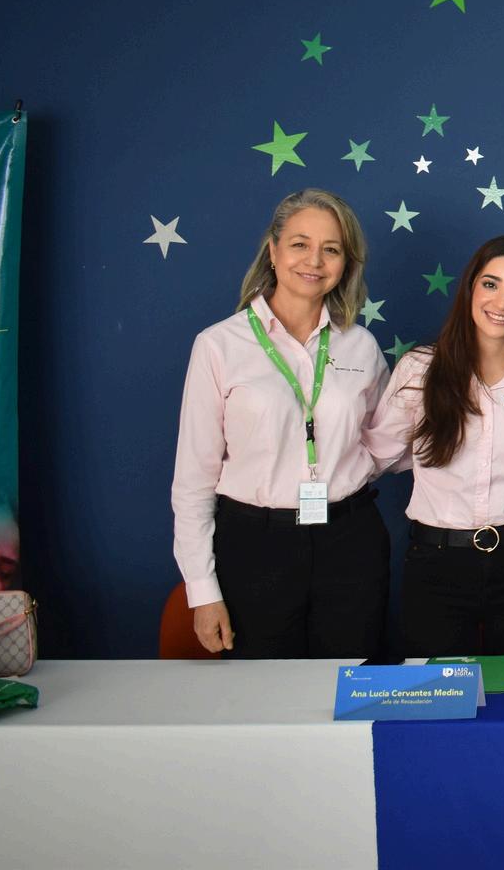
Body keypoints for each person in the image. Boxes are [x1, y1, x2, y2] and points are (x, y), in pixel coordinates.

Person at [171, 188, 390, 657]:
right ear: (272, 251)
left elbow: (384, 438)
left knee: (349, 682)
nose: (314, 261)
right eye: (299, 244)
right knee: (263, 688)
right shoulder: (218, 345)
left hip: (350, 541)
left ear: (346, 262)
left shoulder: (361, 345)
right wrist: (202, 591)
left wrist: (348, 469)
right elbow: (193, 480)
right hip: (255, 546)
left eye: (331, 249)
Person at [366, 236, 504, 656]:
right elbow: (379, 455)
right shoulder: (420, 369)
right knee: (437, 689)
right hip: (436, 564)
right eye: (491, 284)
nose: (503, 302)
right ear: (471, 289)